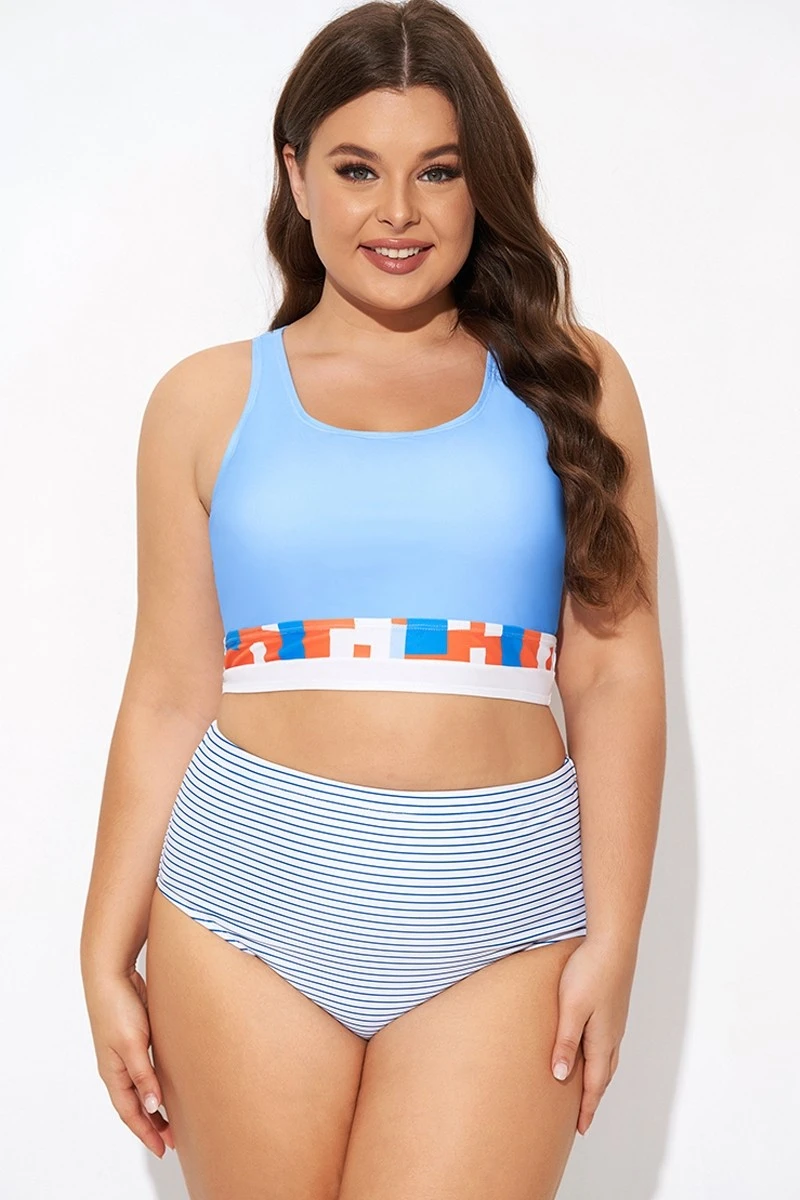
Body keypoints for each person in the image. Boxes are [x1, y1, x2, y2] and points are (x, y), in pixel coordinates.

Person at [80, 1, 666, 1195]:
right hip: (244, 905)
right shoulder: (202, 402)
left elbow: (611, 669)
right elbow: (169, 689)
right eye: (356, 169)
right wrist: (102, 948)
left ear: (480, 182)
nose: (396, 211)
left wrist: (615, 938)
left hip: (503, 916)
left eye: (436, 170)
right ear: (295, 175)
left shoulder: (571, 381)